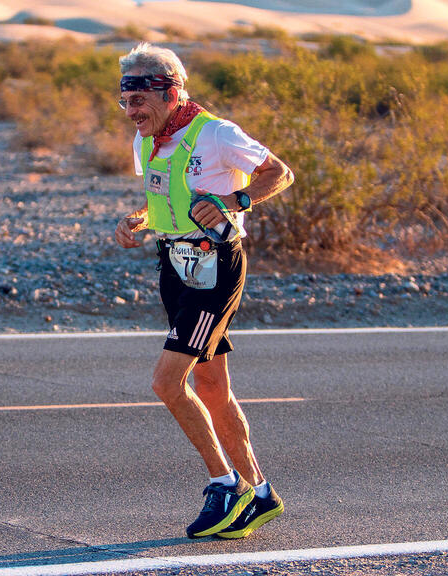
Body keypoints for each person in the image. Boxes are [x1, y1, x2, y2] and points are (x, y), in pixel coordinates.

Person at [114, 43, 294, 539]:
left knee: (167, 383)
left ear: (171, 92)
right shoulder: (147, 141)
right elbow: (164, 201)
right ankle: (261, 494)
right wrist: (139, 219)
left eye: (139, 101)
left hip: (216, 266)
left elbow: (280, 173)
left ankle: (225, 483)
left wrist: (236, 199)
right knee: (213, 388)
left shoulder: (215, 133)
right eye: (124, 103)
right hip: (173, 266)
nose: (131, 113)